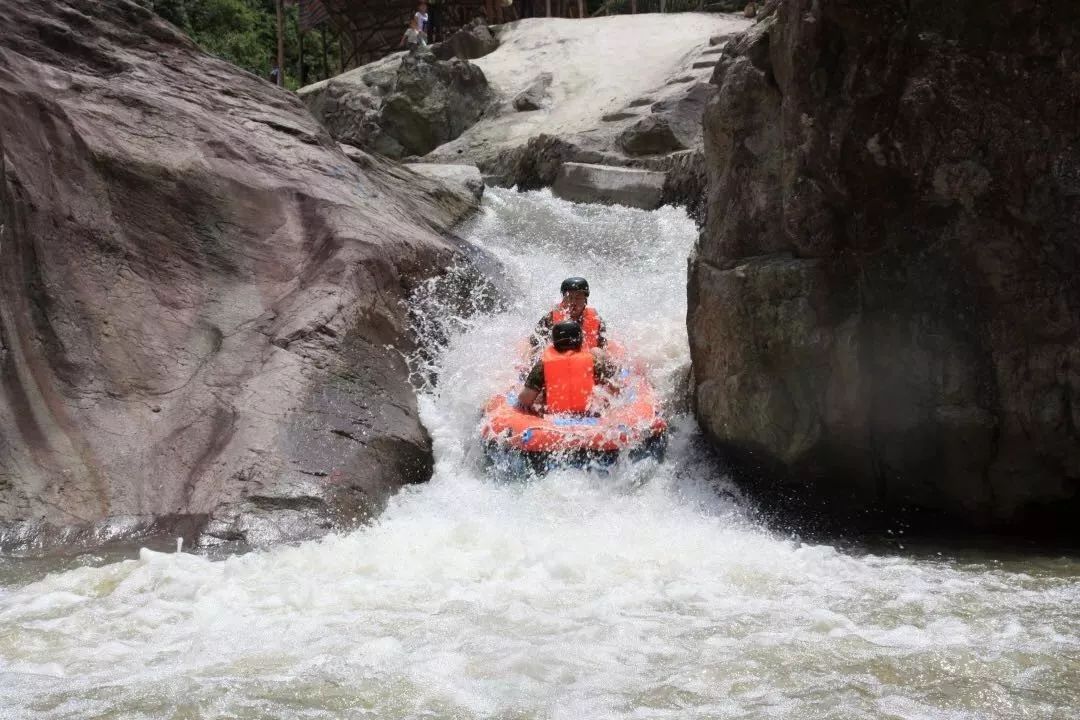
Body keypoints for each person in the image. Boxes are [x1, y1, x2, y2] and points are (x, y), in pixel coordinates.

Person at [517, 321, 620, 415]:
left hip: (553, 416)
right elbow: (614, 390)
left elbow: (525, 400)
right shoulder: (593, 361)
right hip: (588, 414)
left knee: (536, 398)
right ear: (580, 340)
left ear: (555, 342)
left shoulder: (543, 364)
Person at [530, 277, 608, 352]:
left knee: (597, 352)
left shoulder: (596, 320)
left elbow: (605, 347)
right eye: (569, 298)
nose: (573, 302)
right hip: (558, 358)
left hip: (585, 359)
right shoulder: (549, 318)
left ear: (585, 300)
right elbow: (533, 345)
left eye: (578, 298)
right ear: (563, 300)